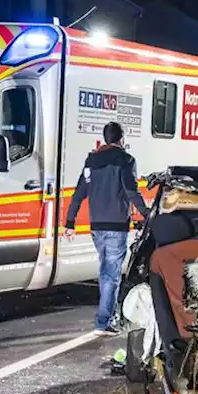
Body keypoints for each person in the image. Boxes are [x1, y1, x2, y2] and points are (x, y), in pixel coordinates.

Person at [64, 122, 149, 335]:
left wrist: (70, 222)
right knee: (111, 275)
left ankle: (106, 316)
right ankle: (104, 322)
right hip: (116, 226)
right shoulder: (126, 160)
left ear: (105, 138)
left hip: (97, 227)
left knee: (105, 272)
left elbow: (79, 192)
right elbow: (131, 192)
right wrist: (148, 215)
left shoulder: (91, 161)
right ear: (122, 139)